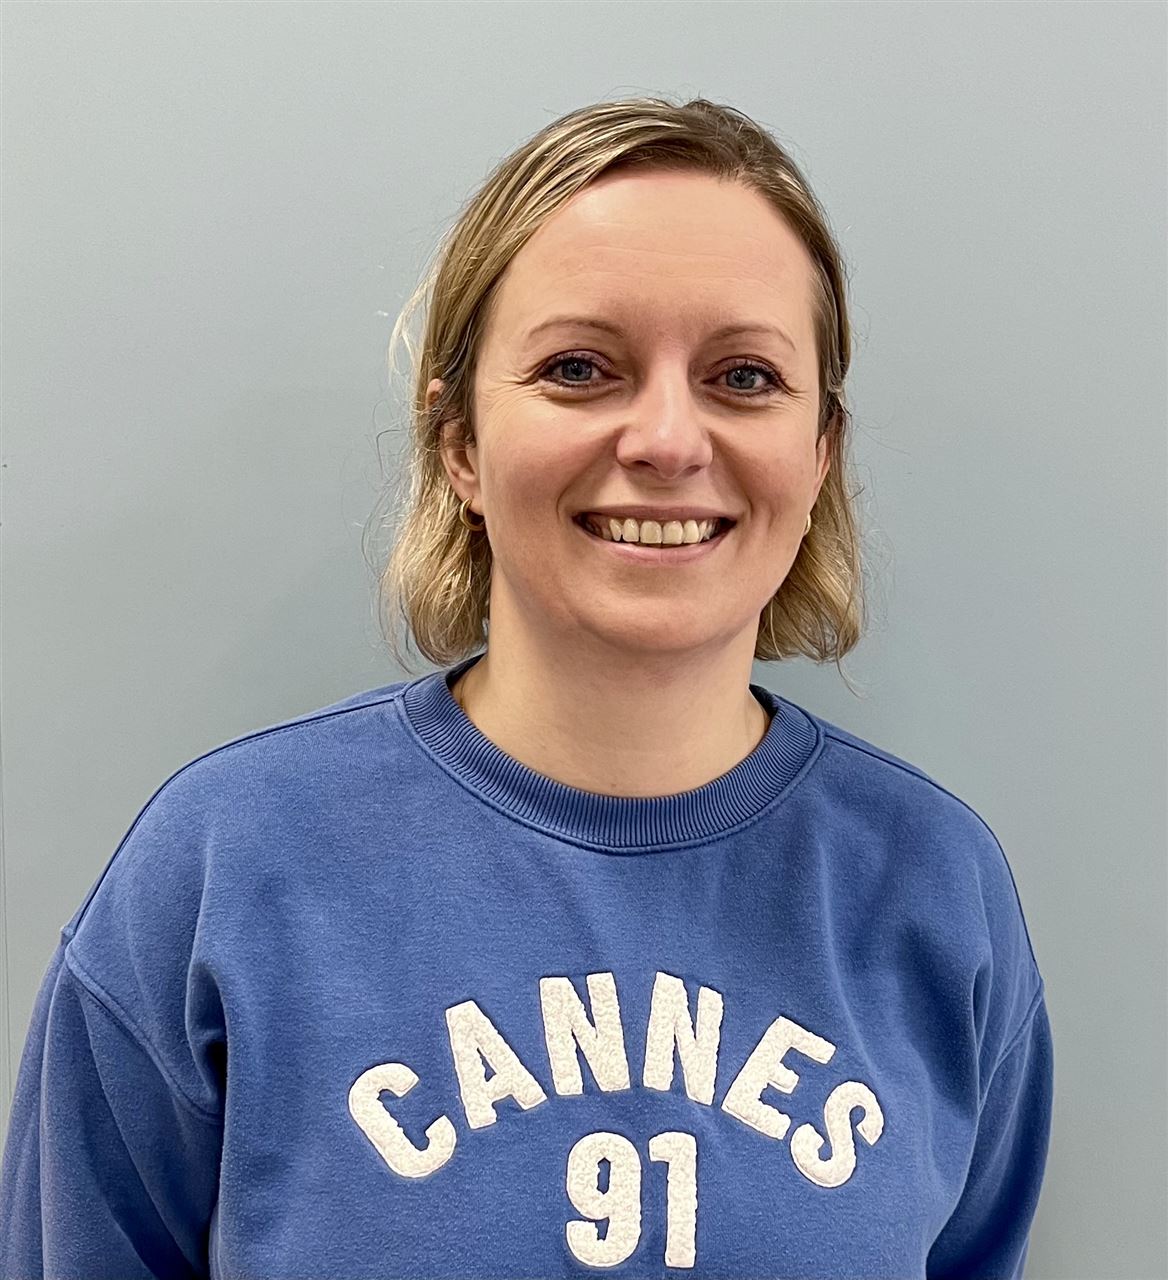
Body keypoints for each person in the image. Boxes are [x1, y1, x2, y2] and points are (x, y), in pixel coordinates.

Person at [0, 96, 1053, 1279]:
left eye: (744, 375)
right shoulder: (225, 864)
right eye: (578, 368)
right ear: (458, 441)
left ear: (819, 453)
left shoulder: (936, 887)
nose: (666, 439)